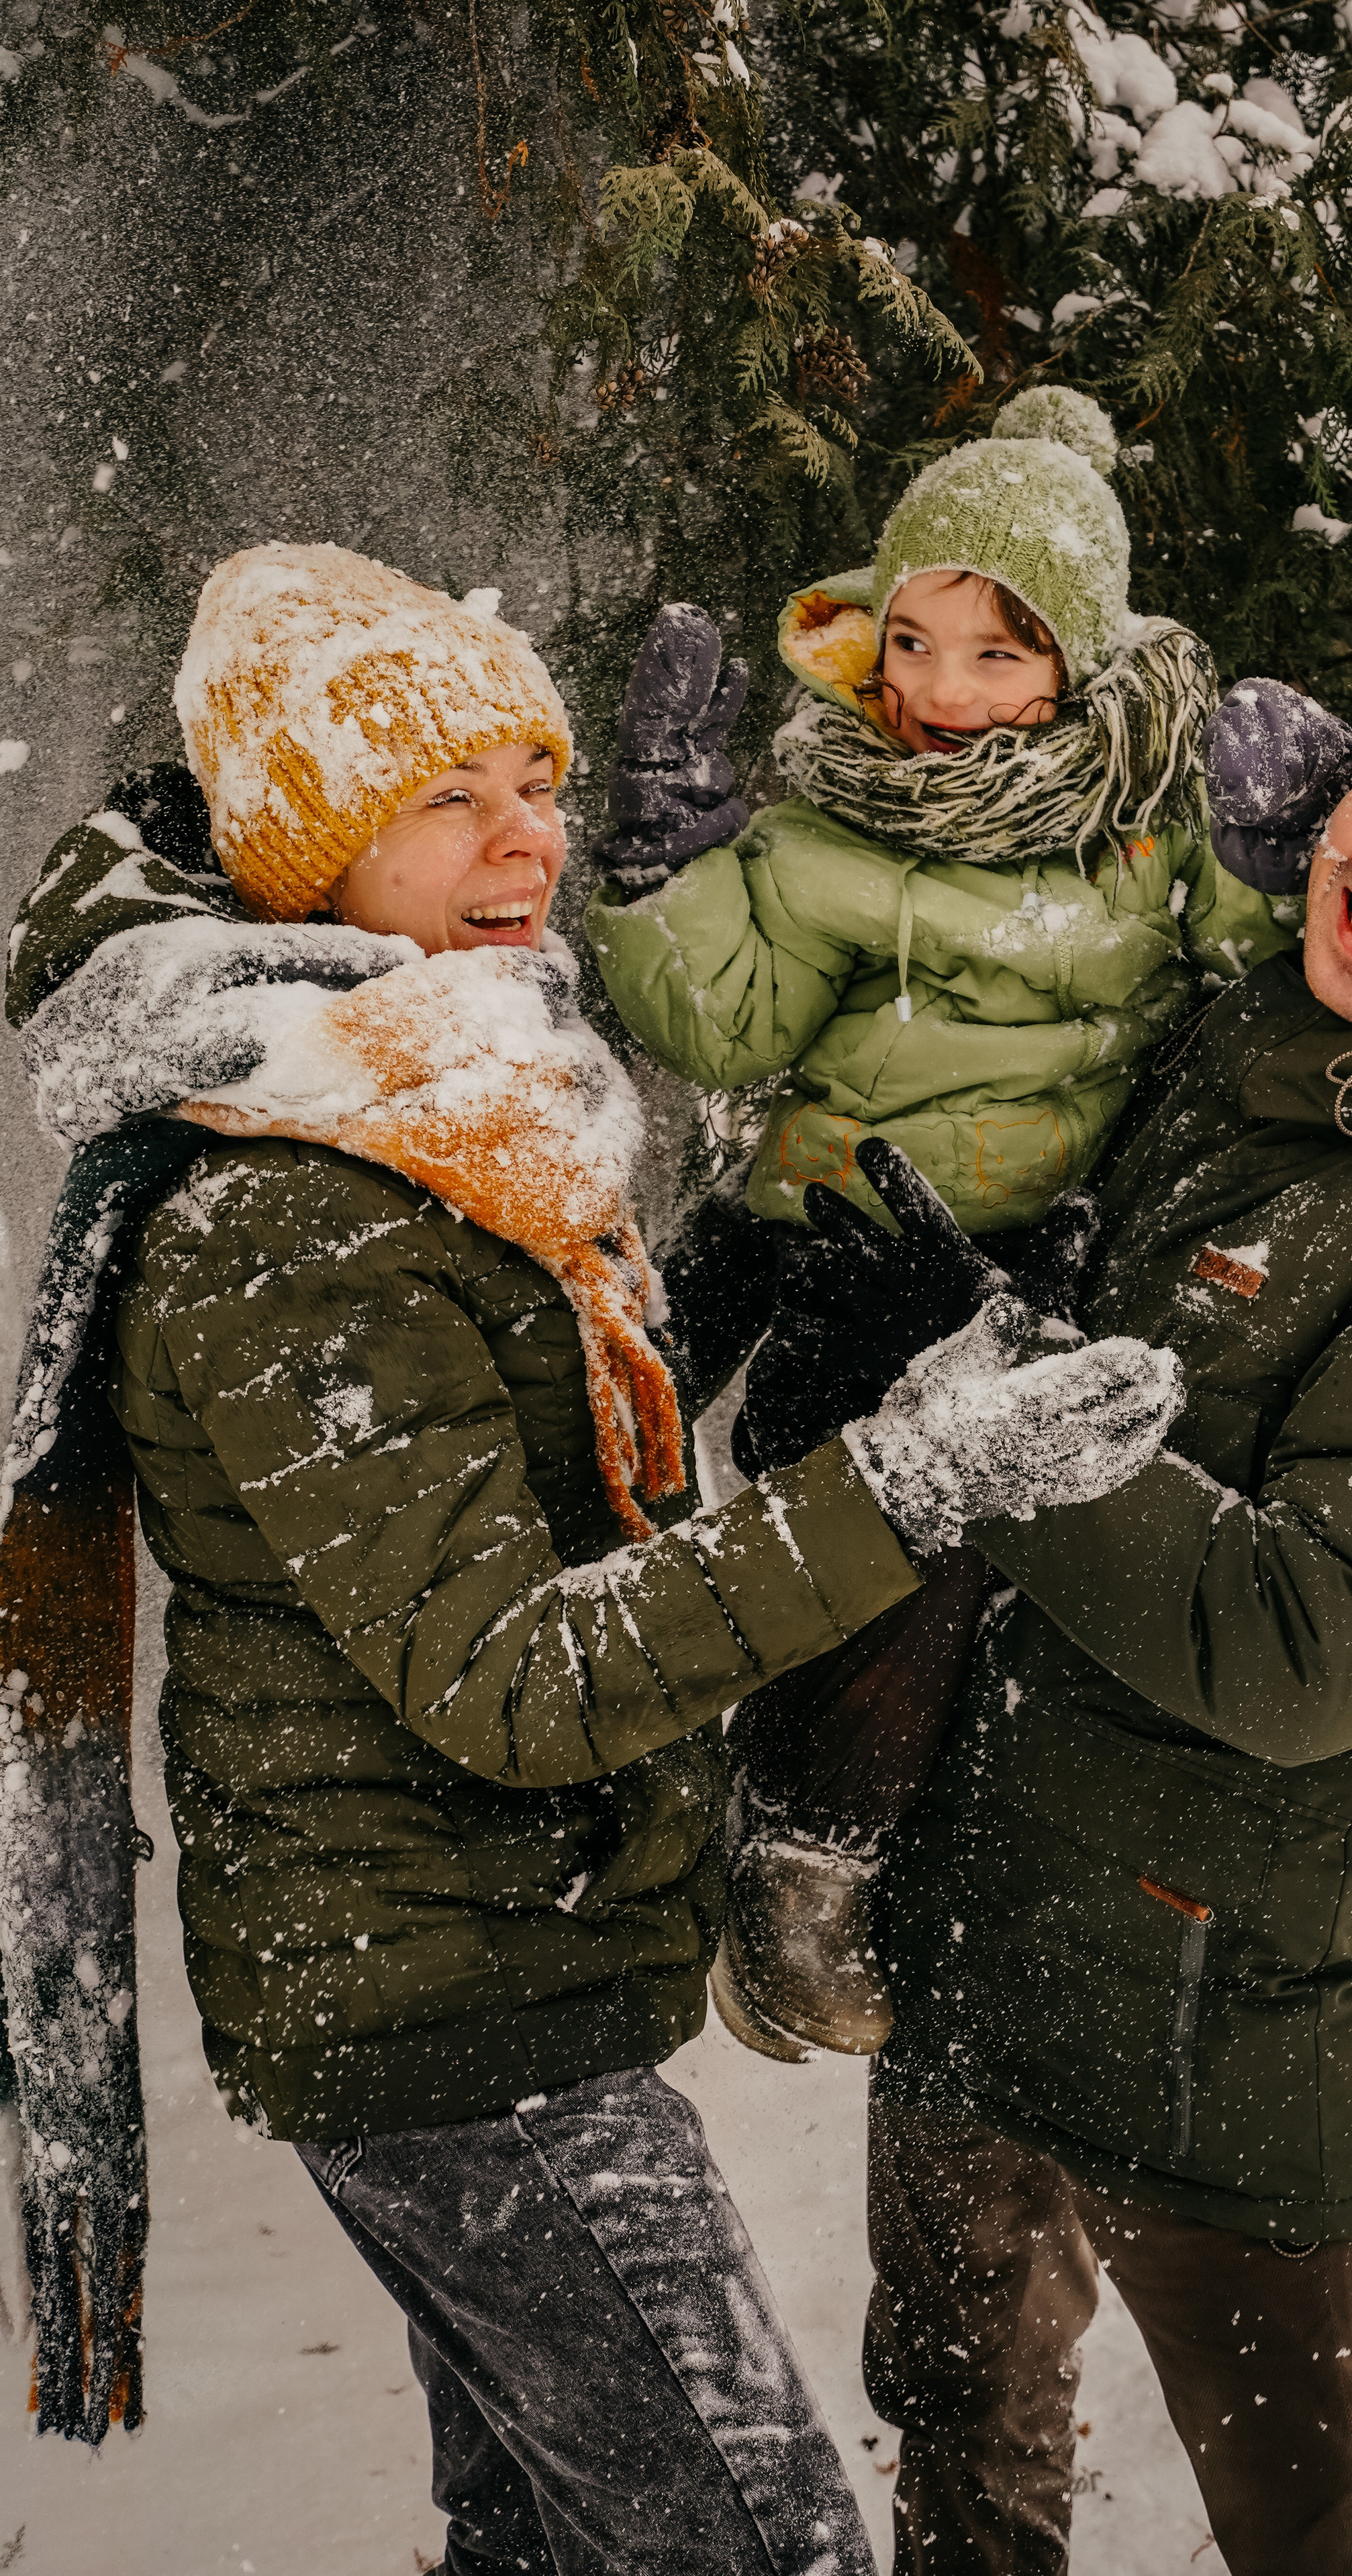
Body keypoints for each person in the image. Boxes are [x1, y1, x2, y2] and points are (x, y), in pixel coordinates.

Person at [0, 542, 1186, 2574]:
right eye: (444, 795)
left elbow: (543, 1447)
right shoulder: (295, 1207)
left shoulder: (441, 1099)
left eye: (534, 780)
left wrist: (783, 1295)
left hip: (474, 1969)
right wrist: (906, 1482)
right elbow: (517, 1676)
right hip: (449, 2013)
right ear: (305, 853)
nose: (523, 838)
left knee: (548, 2544)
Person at [741, 624, 1352, 2575]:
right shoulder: (1236, 1030)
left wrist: (981, 1382)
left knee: (1335, 2530)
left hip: (1213, 2018)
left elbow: (1306, 1642)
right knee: (961, 2445)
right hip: (969, 1921)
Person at [582, 387, 1307, 2062]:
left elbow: (1251, 978)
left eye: (995, 652)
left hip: (1026, 1248)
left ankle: (818, 1845)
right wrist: (668, 870)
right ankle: (721, 1827)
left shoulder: (1146, 820)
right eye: (909, 641)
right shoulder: (835, 811)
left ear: (1080, 660)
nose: (938, 693)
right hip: (828, 1223)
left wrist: (1274, 859)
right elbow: (725, 1023)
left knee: (971, 1532)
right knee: (768, 1497)